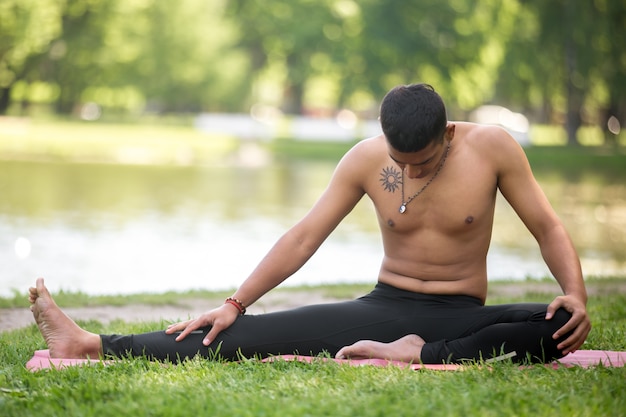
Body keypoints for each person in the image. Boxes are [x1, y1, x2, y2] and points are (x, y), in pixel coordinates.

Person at [29, 83, 591, 364]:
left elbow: (546, 226)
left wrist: (576, 293)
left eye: (421, 162)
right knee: (242, 336)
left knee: (555, 327)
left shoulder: (492, 148)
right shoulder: (366, 158)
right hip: (383, 305)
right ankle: (92, 344)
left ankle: (414, 354)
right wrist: (236, 301)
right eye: (399, 160)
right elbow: (304, 236)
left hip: (459, 312)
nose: (407, 171)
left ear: (447, 134)